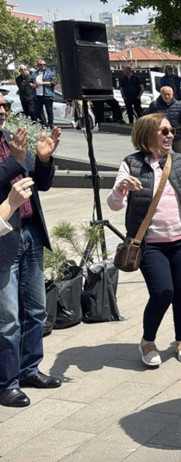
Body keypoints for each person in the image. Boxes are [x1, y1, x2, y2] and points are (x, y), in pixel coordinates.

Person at [107, 113, 181, 367]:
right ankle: (148, 341)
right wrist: (120, 187)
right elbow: (113, 205)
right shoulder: (131, 164)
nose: (169, 135)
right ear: (148, 134)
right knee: (162, 292)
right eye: (163, 131)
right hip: (149, 244)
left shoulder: (178, 161)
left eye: (171, 131)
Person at [0, 91, 62, 408]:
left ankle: (29, 369)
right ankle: (7, 382)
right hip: (3, 239)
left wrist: (43, 159)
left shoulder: (13, 138)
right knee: (8, 317)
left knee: (35, 309)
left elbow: (41, 183)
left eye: (4, 104)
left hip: (30, 232)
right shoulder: (12, 148)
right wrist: (14, 160)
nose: (2, 110)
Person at [147, 86, 181, 154]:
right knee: (165, 155)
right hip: (162, 135)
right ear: (161, 94)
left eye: (169, 94)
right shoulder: (154, 105)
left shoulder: (178, 104)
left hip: (176, 135)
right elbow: (148, 119)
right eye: (165, 94)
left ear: (172, 94)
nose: (167, 96)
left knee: (178, 155)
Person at [30, 60, 55, 128]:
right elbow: (30, 82)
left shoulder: (50, 73)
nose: (43, 66)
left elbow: (53, 83)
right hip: (37, 96)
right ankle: (41, 125)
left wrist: (41, 83)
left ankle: (50, 126)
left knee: (49, 111)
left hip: (47, 95)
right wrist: (33, 85)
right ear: (38, 66)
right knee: (37, 112)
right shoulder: (34, 74)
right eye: (41, 64)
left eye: (44, 64)